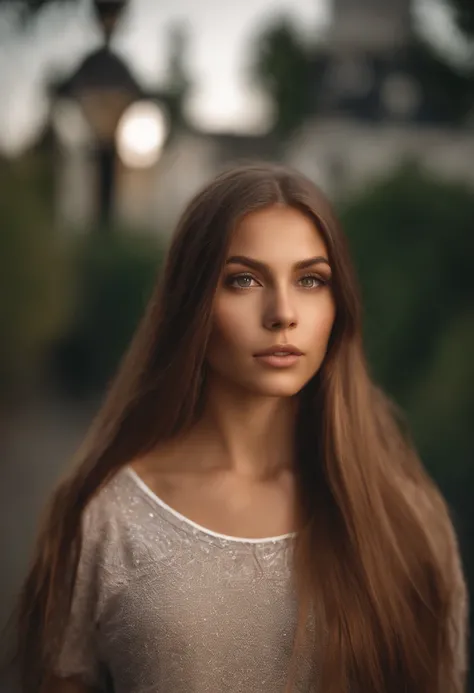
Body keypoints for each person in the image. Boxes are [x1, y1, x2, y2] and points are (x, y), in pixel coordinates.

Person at [12, 163, 468, 693]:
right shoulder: (106, 518)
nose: (282, 313)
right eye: (244, 280)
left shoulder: (403, 515)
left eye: (310, 280)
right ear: (192, 303)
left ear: (338, 307)